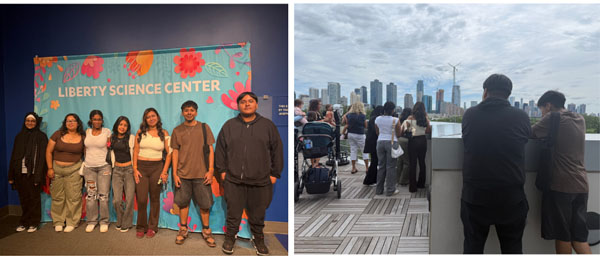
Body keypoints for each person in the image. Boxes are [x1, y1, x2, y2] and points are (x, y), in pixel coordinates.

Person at [461, 74, 531, 253]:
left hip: (475, 196)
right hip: (511, 197)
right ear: (508, 94)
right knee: (513, 248)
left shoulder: (470, 114)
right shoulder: (521, 116)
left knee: (472, 248)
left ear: (485, 92)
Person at [215, 92, 283, 255]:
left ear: (256, 105)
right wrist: (222, 172)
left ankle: (258, 239)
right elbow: (220, 151)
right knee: (233, 214)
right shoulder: (229, 125)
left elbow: (277, 151)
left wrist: (275, 174)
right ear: (238, 105)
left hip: (260, 181)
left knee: (258, 214)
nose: (247, 104)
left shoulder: (268, 126)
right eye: (243, 102)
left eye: (250, 101)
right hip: (233, 180)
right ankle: (230, 238)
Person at [532, 90, 592, 254]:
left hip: (561, 186)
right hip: (581, 184)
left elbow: (530, 133)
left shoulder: (553, 118)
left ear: (549, 106)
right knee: (579, 237)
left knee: (563, 235)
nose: (542, 114)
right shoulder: (580, 118)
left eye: (542, 110)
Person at [171, 100, 216, 247]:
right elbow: (175, 153)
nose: (189, 112)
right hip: (183, 175)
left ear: (196, 112)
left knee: (205, 204)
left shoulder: (204, 128)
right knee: (183, 203)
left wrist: (210, 170)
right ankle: (183, 229)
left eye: (191, 110)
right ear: (182, 112)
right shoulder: (177, 130)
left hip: (202, 174)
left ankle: (206, 230)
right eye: (186, 110)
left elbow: (210, 150)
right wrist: (175, 174)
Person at [133, 108, 171, 238]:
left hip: (157, 167)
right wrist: (135, 168)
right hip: (141, 168)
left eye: (153, 116)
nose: (151, 118)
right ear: (145, 119)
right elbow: (135, 151)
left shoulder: (164, 133)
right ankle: (141, 226)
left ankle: (152, 227)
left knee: (155, 198)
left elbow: (170, 153)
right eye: (148, 117)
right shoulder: (140, 132)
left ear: (158, 118)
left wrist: (164, 171)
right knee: (142, 199)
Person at [8, 112, 48, 233]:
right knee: (24, 198)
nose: (30, 123)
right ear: (24, 122)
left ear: (36, 123)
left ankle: (34, 222)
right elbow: (14, 155)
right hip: (20, 173)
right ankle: (24, 222)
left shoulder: (41, 137)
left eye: (32, 121)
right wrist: (11, 175)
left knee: (34, 198)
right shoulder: (19, 136)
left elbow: (42, 158)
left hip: (34, 173)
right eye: (27, 121)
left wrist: (38, 176)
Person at [46, 113, 85, 233]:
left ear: (78, 123)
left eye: (73, 121)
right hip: (56, 169)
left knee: (73, 197)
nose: (71, 123)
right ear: (65, 123)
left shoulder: (83, 137)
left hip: (74, 170)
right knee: (57, 197)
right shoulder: (57, 134)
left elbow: (87, 154)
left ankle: (72, 222)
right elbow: (48, 151)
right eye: (68, 121)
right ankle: (58, 221)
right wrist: (50, 168)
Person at [82, 110, 112, 233]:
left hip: (104, 167)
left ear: (102, 120)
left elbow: (110, 148)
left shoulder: (107, 132)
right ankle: (92, 221)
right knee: (91, 195)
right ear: (91, 120)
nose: (97, 121)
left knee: (104, 196)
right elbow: (85, 149)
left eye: (99, 119)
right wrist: (86, 162)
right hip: (89, 168)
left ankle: (104, 221)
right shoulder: (87, 132)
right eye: (95, 119)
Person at [108, 116, 136, 233]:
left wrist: (135, 168)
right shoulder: (112, 138)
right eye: (120, 124)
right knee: (116, 200)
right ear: (116, 125)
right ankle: (119, 220)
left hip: (129, 170)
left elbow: (134, 153)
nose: (122, 127)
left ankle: (127, 223)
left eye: (125, 125)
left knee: (129, 199)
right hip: (117, 171)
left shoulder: (131, 138)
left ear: (127, 127)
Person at [401, 102, 432, 193]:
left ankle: (413, 187)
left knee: (413, 164)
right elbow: (428, 131)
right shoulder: (425, 119)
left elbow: (402, 131)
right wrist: (426, 119)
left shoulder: (410, 118)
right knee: (422, 162)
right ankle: (421, 184)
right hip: (422, 141)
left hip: (413, 142)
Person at [374, 101, 401, 196]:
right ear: (393, 110)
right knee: (391, 167)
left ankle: (379, 190)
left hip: (380, 142)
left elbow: (377, 132)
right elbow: (399, 133)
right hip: (391, 142)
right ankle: (390, 190)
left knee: (381, 166)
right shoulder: (395, 120)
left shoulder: (377, 119)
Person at [342, 102, 369, 174]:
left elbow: (346, 123)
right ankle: (367, 168)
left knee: (353, 150)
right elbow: (366, 126)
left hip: (351, 134)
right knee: (364, 150)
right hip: (360, 134)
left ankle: (353, 168)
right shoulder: (363, 115)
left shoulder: (349, 115)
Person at [363, 105, 383, 186]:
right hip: (374, 143)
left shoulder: (372, 118)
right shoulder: (375, 119)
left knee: (374, 161)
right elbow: (377, 131)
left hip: (370, 142)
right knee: (375, 161)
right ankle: (370, 180)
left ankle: (371, 179)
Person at [396, 108, 412, 186]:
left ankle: (397, 178)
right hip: (406, 141)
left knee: (400, 160)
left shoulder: (399, 119)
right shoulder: (409, 121)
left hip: (399, 140)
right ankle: (403, 180)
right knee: (407, 162)